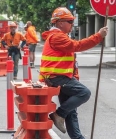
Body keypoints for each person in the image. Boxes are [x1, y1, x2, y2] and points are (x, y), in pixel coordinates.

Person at [39, 7, 108, 138]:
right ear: (60, 23)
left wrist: (74, 77)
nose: (72, 24)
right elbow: (77, 46)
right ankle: (58, 114)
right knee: (84, 93)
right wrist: (98, 36)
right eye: (69, 21)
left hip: (59, 77)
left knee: (71, 112)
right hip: (56, 77)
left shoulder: (59, 36)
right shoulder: (57, 37)